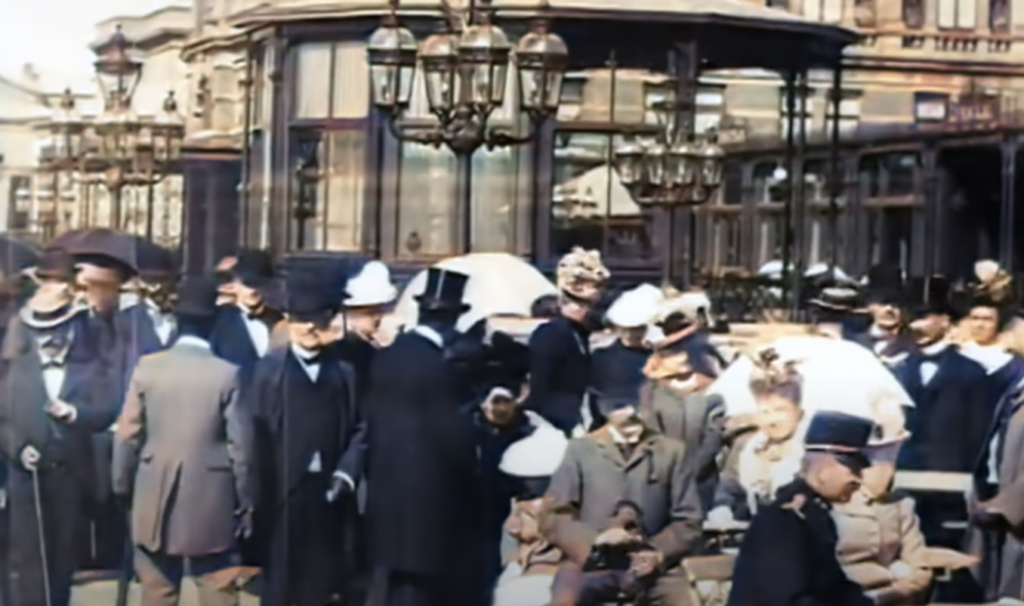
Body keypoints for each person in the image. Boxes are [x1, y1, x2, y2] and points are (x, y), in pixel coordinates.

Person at [111, 276, 252, 606]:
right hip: (212, 498)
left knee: (157, 589)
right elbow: (241, 449)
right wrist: (245, 501)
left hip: (154, 493)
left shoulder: (147, 368)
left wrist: (122, 485)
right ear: (214, 323)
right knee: (217, 585)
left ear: (175, 320)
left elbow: (127, 435)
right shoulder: (227, 374)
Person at [247, 260, 366, 606]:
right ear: (288, 320)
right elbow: (254, 436)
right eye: (300, 319)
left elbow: (361, 428)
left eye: (316, 319)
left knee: (324, 585)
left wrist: (347, 473)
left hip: (330, 493)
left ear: (329, 319)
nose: (308, 327)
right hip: (281, 495)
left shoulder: (345, 372)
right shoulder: (268, 372)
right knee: (282, 586)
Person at [364, 267, 483, 606]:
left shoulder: (386, 358)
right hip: (431, 501)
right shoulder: (441, 368)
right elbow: (455, 440)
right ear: (450, 320)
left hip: (386, 494)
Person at [0, 279, 118, 606]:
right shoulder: (14, 366)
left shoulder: (91, 364)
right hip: (26, 478)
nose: (49, 337)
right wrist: (19, 448)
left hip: (71, 473)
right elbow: (3, 420)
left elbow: (108, 408)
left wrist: (74, 413)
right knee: (27, 558)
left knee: (63, 556)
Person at [542, 380, 703, 606]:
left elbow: (689, 519)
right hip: (591, 563)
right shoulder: (581, 450)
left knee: (684, 601)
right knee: (566, 600)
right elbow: (555, 514)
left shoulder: (672, 452)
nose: (633, 422)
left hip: (654, 564)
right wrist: (595, 541)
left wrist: (658, 553)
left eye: (638, 414)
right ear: (607, 413)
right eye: (624, 418)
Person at [727, 410, 877, 606]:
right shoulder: (783, 520)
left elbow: (835, 587)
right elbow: (786, 598)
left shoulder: (814, 513)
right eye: (853, 468)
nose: (858, 479)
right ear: (824, 465)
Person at [896, 275, 994, 547]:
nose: (917, 324)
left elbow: (980, 434)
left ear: (945, 320)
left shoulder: (973, 374)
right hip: (902, 483)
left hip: (951, 488)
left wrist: (976, 484)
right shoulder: (899, 370)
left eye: (925, 317)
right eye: (913, 317)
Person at [709, 347, 808, 523]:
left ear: (799, 412)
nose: (772, 420)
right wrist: (723, 508)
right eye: (765, 412)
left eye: (780, 410)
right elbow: (728, 487)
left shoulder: (811, 448)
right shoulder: (746, 444)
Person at [832, 432, 932, 606]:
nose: (886, 472)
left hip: (894, 595)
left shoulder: (902, 503)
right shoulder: (832, 502)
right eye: (877, 464)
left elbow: (919, 564)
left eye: (890, 463)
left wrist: (898, 589)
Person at [527, 247, 610, 435]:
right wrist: (570, 423)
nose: (589, 311)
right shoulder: (550, 334)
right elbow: (542, 390)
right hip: (556, 426)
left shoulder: (580, 333)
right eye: (581, 304)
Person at [210, 249, 285, 381]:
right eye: (248, 284)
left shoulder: (282, 323)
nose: (254, 291)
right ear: (235, 285)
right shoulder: (218, 323)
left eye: (260, 284)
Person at [849, 265, 915, 369]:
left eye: (896, 303)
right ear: (868, 305)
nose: (889, 309)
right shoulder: (852, 345)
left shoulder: (915, 346)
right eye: (882, 302)